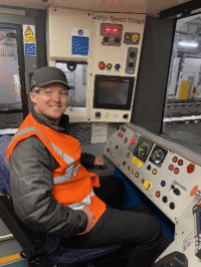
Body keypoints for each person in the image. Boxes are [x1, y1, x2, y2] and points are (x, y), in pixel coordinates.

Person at [7, 66, 162, 267]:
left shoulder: (46, 125)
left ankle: (115, 241)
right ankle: (112, 235)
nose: (57, 98)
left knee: (115, 184)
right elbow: (36, 211)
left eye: (61, 92)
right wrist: (81, 220)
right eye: (47, 91)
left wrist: (89, 160)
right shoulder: (30, 146)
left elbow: (61, 154)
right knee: (151, 229)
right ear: (33, 96)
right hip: (69, 226)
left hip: (75, 197)